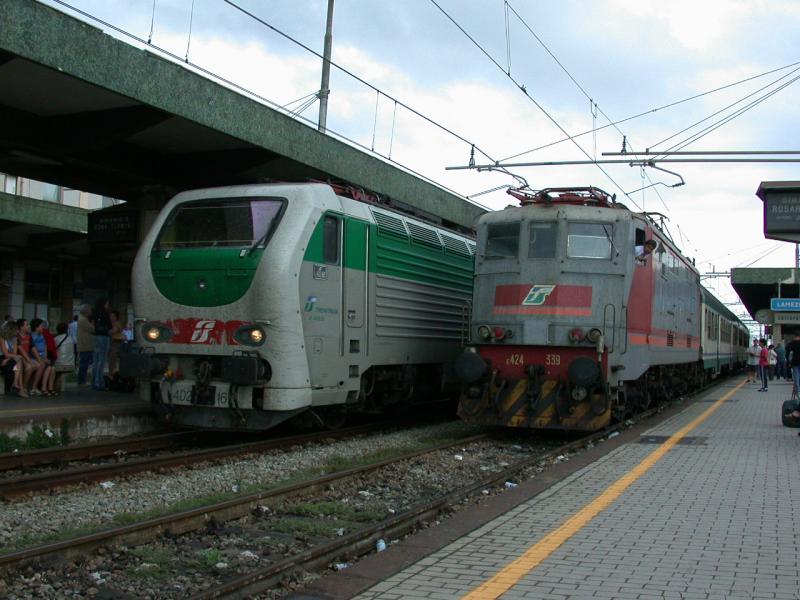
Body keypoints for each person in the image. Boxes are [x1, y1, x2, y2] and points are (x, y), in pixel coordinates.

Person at [29, 318, 56, 396]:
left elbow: (45, 347)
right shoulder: (32, 336)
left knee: (52, 368)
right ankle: (41, 388)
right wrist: (42, 358)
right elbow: (32, 350)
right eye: (41, 326)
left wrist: (46, 357)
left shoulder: (42, 335)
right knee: (46, 366)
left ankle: (49, 388)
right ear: (36, 327)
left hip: (43, 356)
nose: (42, 328)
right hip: (35, 357)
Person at [92, 297, 112, 391]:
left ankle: (94, 382)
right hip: (104, 337)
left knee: (96, 361)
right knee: (102, 360)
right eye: (107, 303)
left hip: (96, 337)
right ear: (104, 304)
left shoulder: (95, 313)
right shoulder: (105, 314)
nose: (108, 305)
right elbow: (109, 326)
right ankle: (99, 383)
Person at [1, 320, 25, 397]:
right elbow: (5, 353)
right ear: (11, 329)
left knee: (19, 362)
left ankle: (15, 384)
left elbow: (14, 353)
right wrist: (9, 358)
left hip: (10, 358)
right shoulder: (2, 338)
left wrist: (9, 358)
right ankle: (19, 388)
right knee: (19, 361)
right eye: (16, 329)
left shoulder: (15, 339)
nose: (18, 331)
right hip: (1, 358)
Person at [76, 304, 94, 387]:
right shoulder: (83, 320)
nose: (91, 312)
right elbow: (92, 329)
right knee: (84, 364)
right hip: (85, 345)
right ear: (86, 312)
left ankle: (82, 380)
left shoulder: (83, 319)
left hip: (85, 345)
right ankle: (81, 381)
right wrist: (93, 323)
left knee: (85, 364)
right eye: (90, 311)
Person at [107, 310, 124, 375]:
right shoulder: (111, 323)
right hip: (112, 342)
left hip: (116, 343)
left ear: (116, 317)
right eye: (110, 316)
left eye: (113, 316)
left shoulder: (117, 323)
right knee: (111, 358)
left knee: (112, 358)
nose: (111, 317)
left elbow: (114, 330)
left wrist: (104, 331)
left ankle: (112, 373)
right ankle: (112, 372)